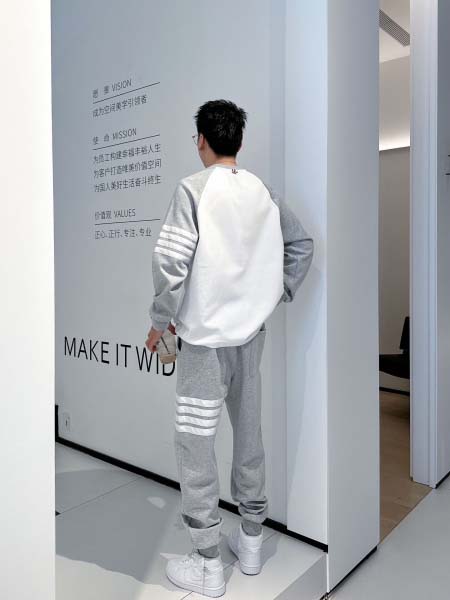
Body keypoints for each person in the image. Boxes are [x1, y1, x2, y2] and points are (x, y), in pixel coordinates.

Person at [145, 99, 313, 597]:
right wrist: (276, 293)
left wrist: (159, 322)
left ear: (201, 139)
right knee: (249, 437)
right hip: (249, 339)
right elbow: (301, 246)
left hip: (202, 343)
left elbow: (171, 264)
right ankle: (252, 542)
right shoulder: (263, 192)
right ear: (238, 140)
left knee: (196, 446)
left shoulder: (192, 189)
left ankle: (207, 562)